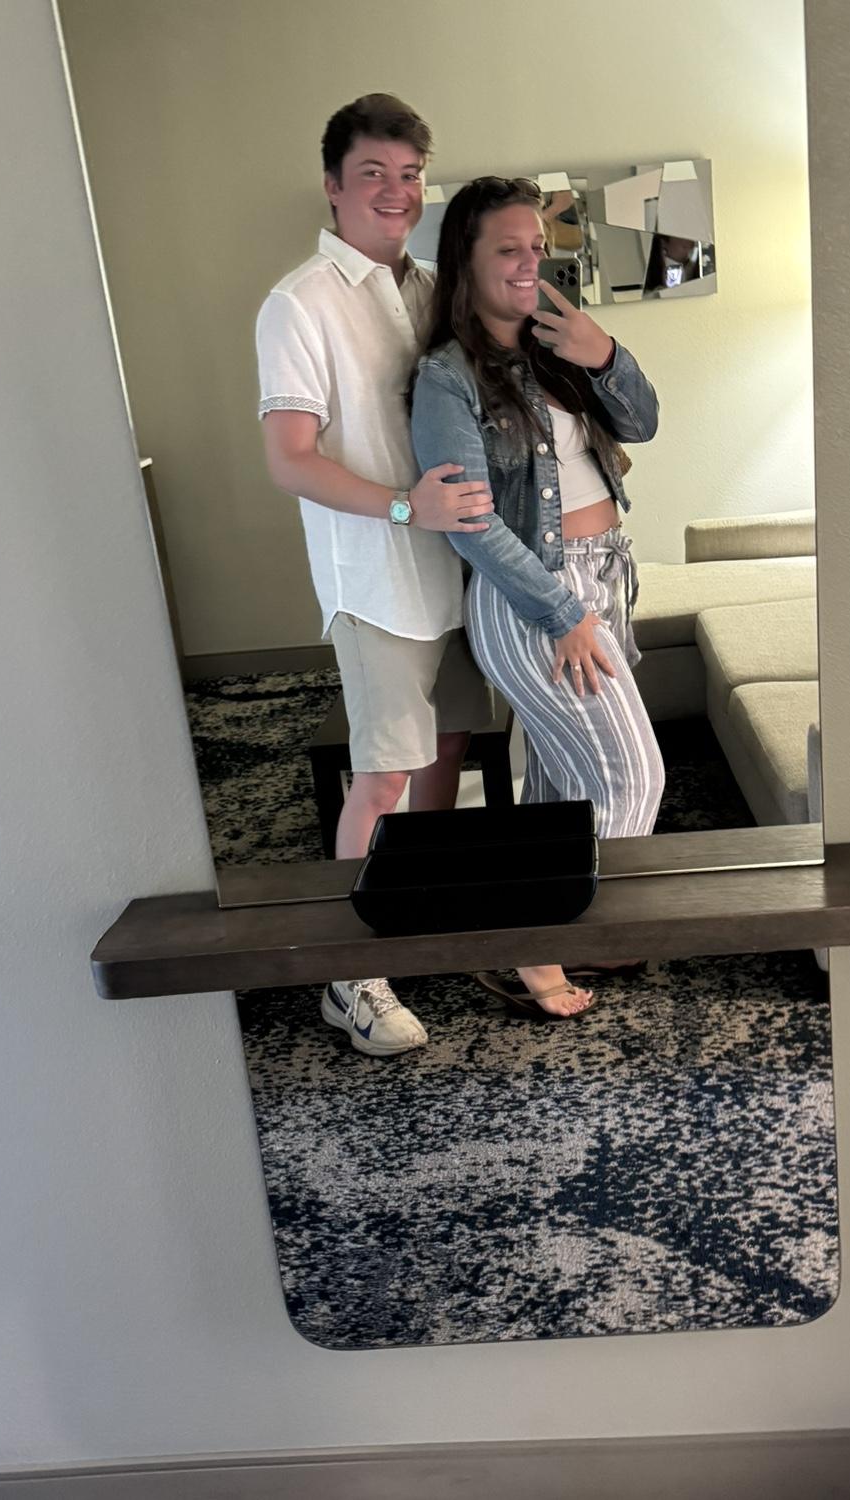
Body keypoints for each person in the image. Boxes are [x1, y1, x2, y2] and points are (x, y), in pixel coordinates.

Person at [256, 95, 496, 1058]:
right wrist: (406, 509)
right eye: (373, 174)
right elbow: (290, 460)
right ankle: (347, 979)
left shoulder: (436, 288)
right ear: (332, 185)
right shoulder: (299, 303)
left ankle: (417, 916)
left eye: (409, 174)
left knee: (447, 756)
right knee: (385, 773)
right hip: (378, 579)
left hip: (462, 569)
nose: (396, 192)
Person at [410, 177, 665, 1020]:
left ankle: (560, 924)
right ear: (466, 260)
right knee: (634, 778)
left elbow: (643, 423)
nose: (529, 263)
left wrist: (605, 353)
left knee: (563, 786)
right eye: (508, 249)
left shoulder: (557, 346)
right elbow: (470, 521)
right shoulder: (447, 377)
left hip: (602, 581)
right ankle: (532, 938)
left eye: (537, 247)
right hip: (535, 599)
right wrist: (562, 612)